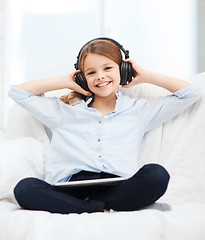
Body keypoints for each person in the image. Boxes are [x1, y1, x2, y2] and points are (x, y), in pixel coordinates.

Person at [8, 38, 201, 214]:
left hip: (116, 187)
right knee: (25, 189)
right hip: (68, 189)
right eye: (91, 72)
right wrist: (66, 82)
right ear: (82, 78)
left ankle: (89, 208)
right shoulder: (63, 111)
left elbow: (191, 93)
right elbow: (18, 93)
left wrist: (145, 76)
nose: (100, 76)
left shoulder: (139, 111)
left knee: (157, 175)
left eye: (108, 68)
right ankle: (101, 209)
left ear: (123, 70)